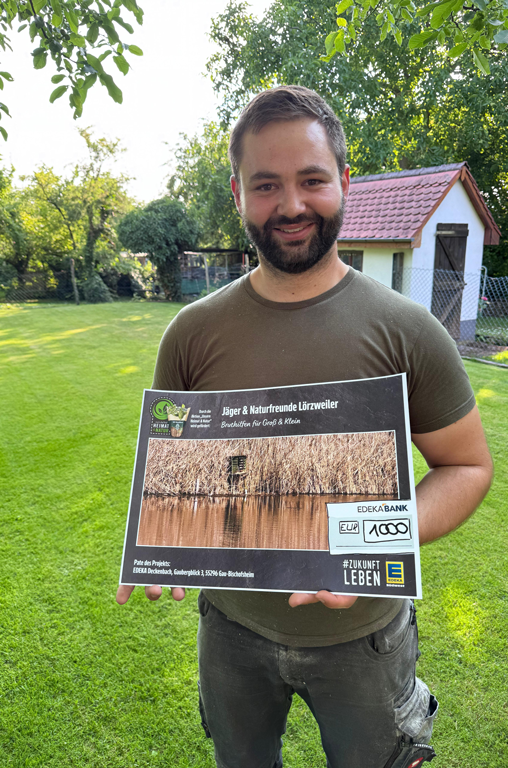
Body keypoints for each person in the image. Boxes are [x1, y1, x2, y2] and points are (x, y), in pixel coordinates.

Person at [117, 86, 493, 768]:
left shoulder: (408, 331)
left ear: (344, 182)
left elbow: (467, 467)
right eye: (266, 185)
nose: (290, 205)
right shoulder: (191, 334)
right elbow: (173, 467)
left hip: (365, 639)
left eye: (312, 180)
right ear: (238, 193)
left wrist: (364, 539)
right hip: (230, 629)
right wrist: (156, 537)